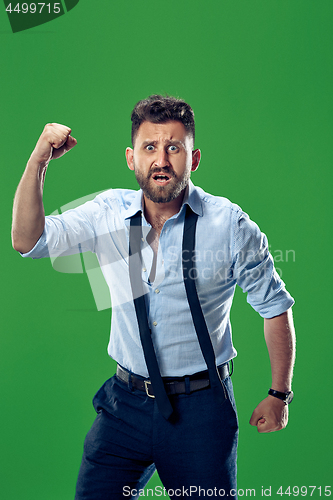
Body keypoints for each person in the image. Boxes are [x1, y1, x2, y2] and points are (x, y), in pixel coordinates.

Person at [12, 95, 296, 500]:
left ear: (193, 158)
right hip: (124, 407)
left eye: (173, 148)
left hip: (201, 410)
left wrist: (278, 394)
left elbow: (275, 307)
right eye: (150, 148)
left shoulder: (229, 226)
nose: (161, 160)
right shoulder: (108, 213)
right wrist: (38, 160)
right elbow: (27, 240)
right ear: (131, 158)